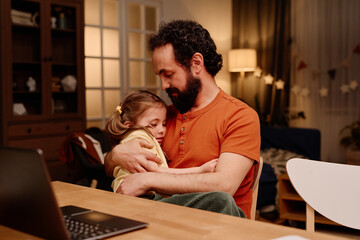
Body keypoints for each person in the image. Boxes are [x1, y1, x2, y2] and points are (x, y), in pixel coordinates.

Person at [104, 20, 260, 218]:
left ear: (196, 63)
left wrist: (147, 180)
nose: (163, 85)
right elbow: (110, 168)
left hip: (216, 226)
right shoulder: (161, 117)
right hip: (160, 220)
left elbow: (224, 185)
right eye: (159, 76)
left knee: (220, 199)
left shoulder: (239, 116)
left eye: (168, 74)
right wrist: (116, 155)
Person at [105, 90, 217, 193]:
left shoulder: (136, 136)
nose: (161, 130)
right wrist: (200, 170)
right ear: (130, 125)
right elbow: (158, 174)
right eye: (153, 124)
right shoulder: (140, 139)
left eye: (164, 124)